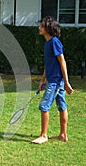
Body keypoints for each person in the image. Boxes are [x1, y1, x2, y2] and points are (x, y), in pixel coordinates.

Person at [31, 16, 74, 144]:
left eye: (42, 26)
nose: (39, 28)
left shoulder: (54, 42)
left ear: (48, 29)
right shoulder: (47, 43)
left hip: (56, 81)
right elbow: (48, 64)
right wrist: (42, 81)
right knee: (62, 106)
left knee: (44, 106)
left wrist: (66, 82)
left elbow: (62, 62)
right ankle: (63, 135)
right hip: (53, 80)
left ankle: (43, 135)